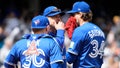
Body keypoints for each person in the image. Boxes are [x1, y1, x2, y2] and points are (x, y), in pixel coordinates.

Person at [65, 1, 106, 68]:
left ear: (80, 14)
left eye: (74, 14)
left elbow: (69, 58)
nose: (73, 17)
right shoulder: (100, 30)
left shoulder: (80, 30)